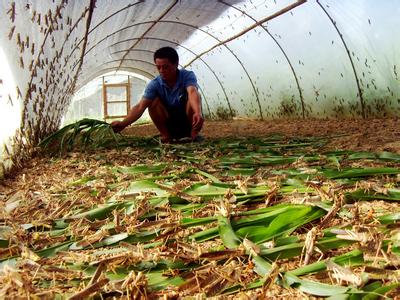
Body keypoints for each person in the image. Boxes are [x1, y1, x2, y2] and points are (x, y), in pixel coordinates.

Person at [111, 46, 204, 143]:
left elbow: (192, 92)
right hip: (169, 122)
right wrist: (123, 124)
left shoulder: (187, 76)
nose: (161, 71)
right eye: (158, 67)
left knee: (195, 97)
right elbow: (140, 106)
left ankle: (193, 135)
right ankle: (166, 135)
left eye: (165, 67)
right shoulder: (155, 84)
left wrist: (197, 112)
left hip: (188, 120)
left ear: (176, 64)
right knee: (152, 102)